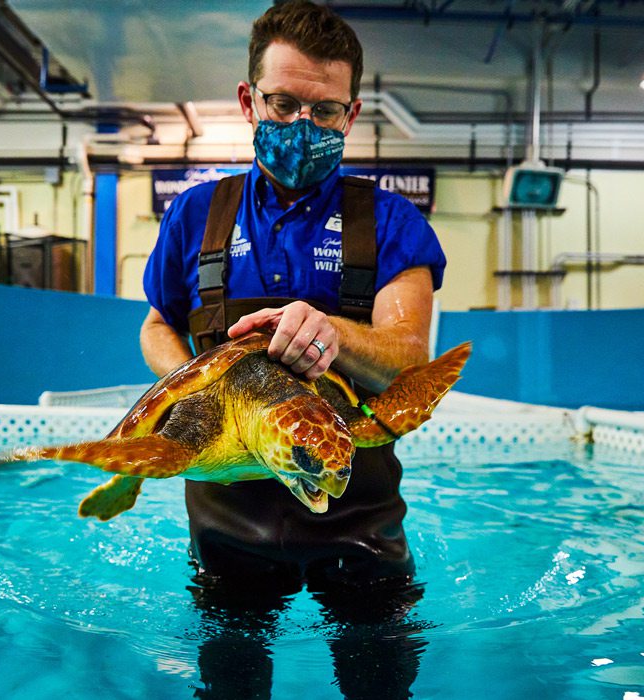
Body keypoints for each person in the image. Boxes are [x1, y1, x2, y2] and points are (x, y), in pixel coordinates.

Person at [141, 2, 445, 697]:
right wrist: (198, 377)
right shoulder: (196, 213)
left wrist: (336, 334)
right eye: (283, 103)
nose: (303, 127)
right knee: (230, 685)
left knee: (382, 682)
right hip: (225, 519)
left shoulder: (390, 221)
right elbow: (157, 325)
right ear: (250, 100)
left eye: (326, 112)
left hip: (359, 518)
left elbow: (408, 354)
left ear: (353, 114)